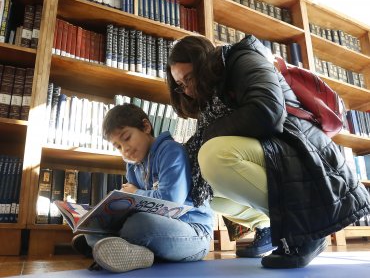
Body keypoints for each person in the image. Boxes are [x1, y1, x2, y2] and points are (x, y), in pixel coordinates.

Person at [166, 35, 370, 268]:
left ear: (203, 62)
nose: (187, 91)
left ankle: (307, 230)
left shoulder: (242, 57)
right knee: (197, 184)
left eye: (189, 78)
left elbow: (267, 113)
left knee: (213, 155)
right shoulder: (212, 98)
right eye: (180, 85)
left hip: (303, 152)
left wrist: (206, 135)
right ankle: (266, 225)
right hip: (277, 155)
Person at [72, 103, 214, 273]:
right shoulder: (132, 165)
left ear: (146, 127)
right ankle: (113, 247)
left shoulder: (170, 150)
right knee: (94, 225)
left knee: (139, 225)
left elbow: (171, 200)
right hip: (158, 232)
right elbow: (133, 206)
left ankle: (105, 246)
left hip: (194, 233)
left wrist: (134, 192)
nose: (125, 149)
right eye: (118, 146)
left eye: (126, 138)